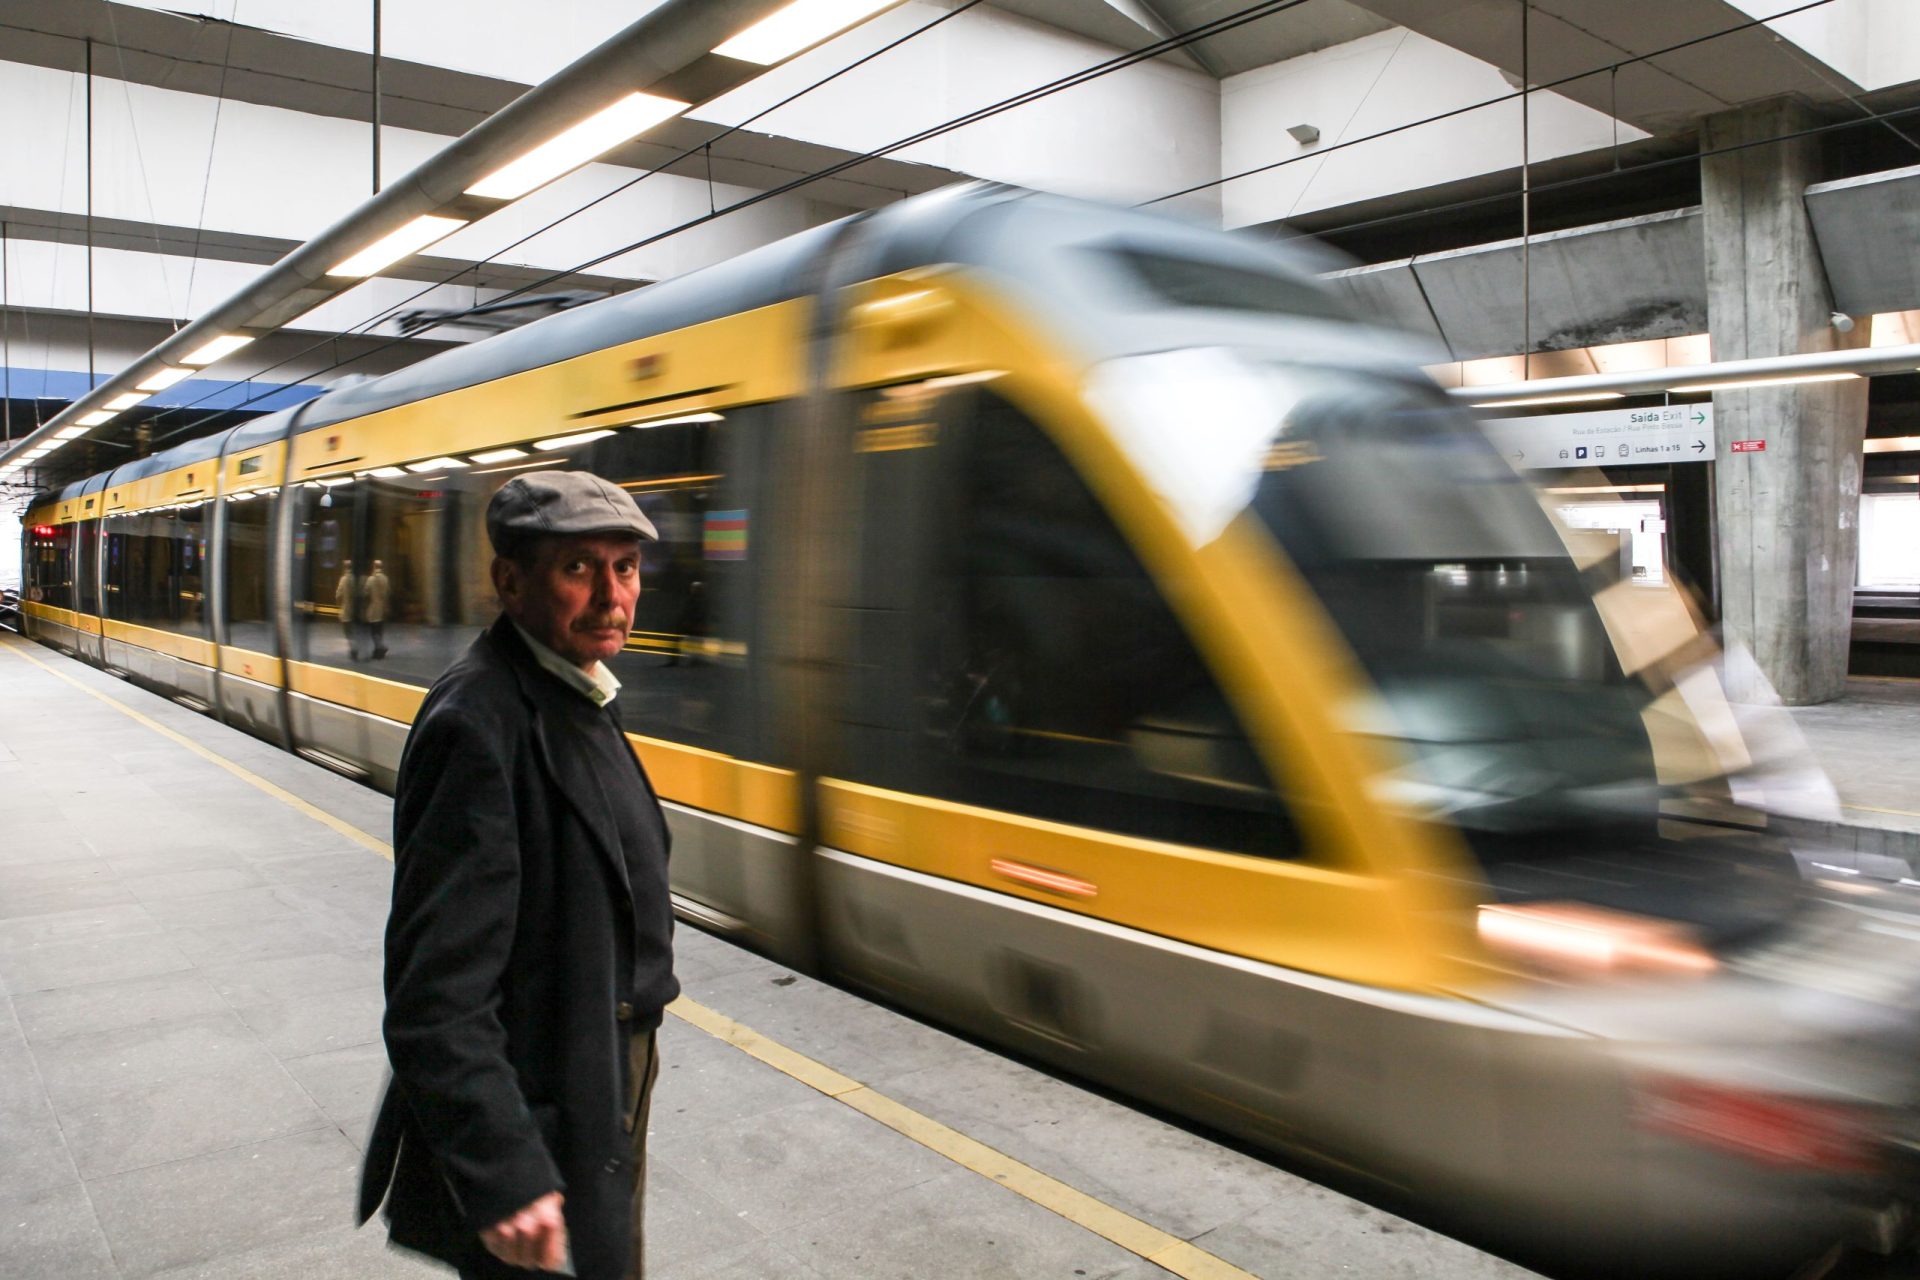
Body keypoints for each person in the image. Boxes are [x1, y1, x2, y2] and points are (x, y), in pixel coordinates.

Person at [357, 471, 677, 1280]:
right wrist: (504, 1173)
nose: (613, 596)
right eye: (579, 569)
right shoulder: (479, 723)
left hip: (594, 1073)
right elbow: (437, 996)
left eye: (626, 567)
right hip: (543, 1099)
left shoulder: (572, 686)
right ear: (510, 581)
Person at [363, 559, 392, 659]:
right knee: (379, 631)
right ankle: (377, 651)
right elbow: (388, 593)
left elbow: (366, 592)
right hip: (382, 608)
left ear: (374, 566)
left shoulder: (371, 579)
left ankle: (381, 647)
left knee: (373, 631)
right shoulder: (385, 579)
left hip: (373, 609)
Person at [335, 566, 360, 660]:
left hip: (346, 610)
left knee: (348, 632)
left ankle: (353, 650)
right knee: (355, 631)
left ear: (345, 569)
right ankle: (355, 647)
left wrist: (339, 605)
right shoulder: (355, 580)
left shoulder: (343, 579)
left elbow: (338, 595)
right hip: (355, 611)